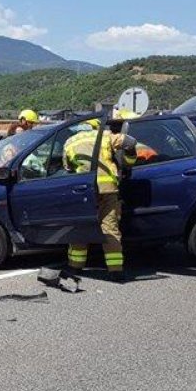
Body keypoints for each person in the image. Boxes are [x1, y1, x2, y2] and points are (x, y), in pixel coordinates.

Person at [43, 117, 137, 285]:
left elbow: (68, 168)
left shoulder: (70, 142)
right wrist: (128, 160)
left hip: (84, 190)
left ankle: (75, 267)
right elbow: (130, 142)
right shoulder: (106, 136)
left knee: (81, 227)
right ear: (96, 127)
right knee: (109, 229)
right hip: (108, 190)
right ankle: (116, 271)